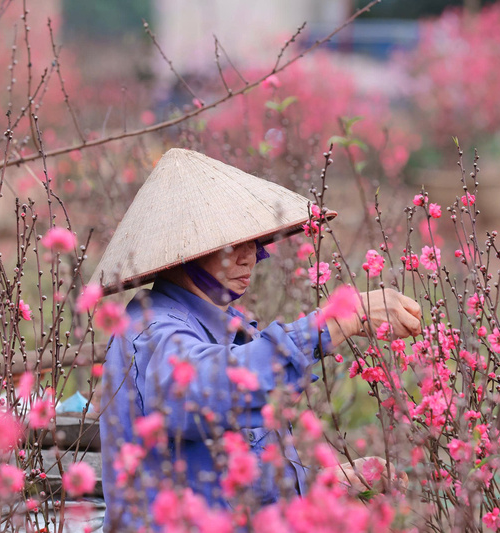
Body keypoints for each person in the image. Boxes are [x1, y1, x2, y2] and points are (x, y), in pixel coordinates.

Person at [94, 149, 421, 531]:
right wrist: (336, 321)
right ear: (186, 253)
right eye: (231, 247)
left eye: (253, 243)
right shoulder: (156, 331)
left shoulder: (217, 326)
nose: (250, 259)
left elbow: (233, 476)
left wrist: (332, 482)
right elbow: (211, 388)